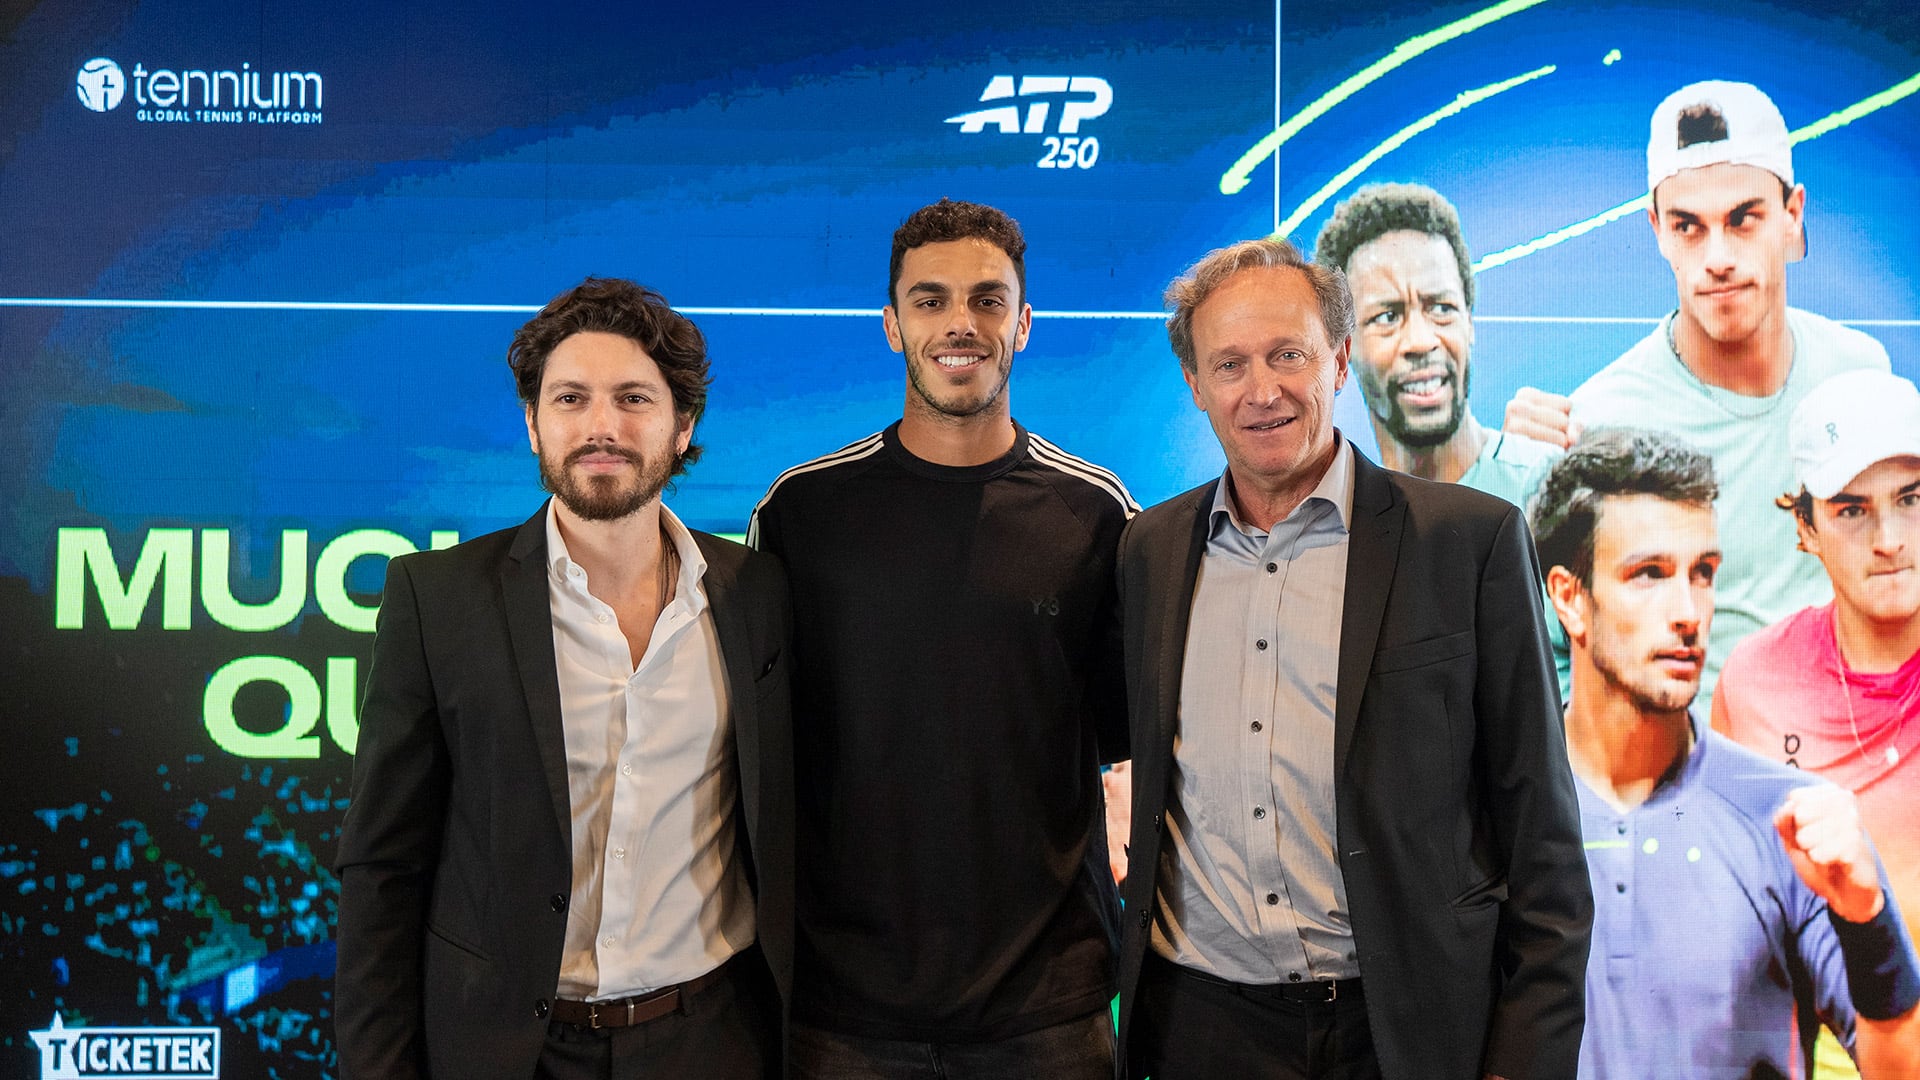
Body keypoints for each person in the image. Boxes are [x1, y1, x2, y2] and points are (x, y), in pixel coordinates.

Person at [1114, 237, 1590, 1080]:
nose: (1262, 391)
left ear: (1336, 362)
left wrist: (1524, 1060)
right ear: (1195, 385)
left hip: (1404, 1029)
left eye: (1287, 354)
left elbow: (1543, 845)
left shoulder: (1468, 542)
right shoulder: (1150, 550)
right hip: (1204, 1029)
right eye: (1229, 365)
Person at [335, 278, 793, 1080]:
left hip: (714, 1041)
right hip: (508, 1050)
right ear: (533, 425)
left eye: (634, 399)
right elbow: (383, 866)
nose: (601, 427)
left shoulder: (759, 594)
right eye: (571, 398)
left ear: (684, 427)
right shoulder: (436, 601)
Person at [747, 199, 1133, 1078]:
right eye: (930, 300)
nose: (961, 323)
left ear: (1024, 324)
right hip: (844, 1012)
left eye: (988, 300)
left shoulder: (1096, 514)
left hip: (1050, 1011)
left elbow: (1134, 741)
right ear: (891, 326)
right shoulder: (802, 513)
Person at [1530, 426, 1920, 1077]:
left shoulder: (1790, 822)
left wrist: (1867, 919)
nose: (1688, 611)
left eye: (1702, 574)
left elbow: (1900, 1070)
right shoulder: (1488, 818)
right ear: (1571, 597)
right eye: (1649, 575)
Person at [1503, 81, 1891, 706]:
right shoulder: (1603, 421)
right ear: (1657, 229)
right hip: (1688, 783)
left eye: (1744, 219)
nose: (1717, 258)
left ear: (1792, 216)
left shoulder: (1861, 373)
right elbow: (1549, 657)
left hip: (1849, 764)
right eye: (1689, 226)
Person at [1714, 368, 1920, 956]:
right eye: (1853, 511)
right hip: (1817, 1040)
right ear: (1805, 527)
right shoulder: (1755, 682)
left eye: (1911, 499)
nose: (1889, 539)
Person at [1314, 181, 1558, 505]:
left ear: (1469, 322)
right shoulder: (1335, 520)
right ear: (1342, 352)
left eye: (1442, 309)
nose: (1421, 341)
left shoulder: (1553, 492)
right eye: (1387, 316)